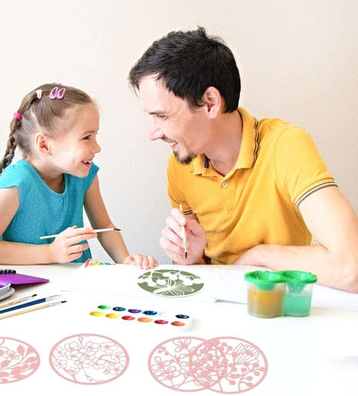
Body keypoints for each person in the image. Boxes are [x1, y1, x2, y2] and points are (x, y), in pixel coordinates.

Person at [128, 27, 358, 292]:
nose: (153, 133)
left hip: (277, 300)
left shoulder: (285, 146)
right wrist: (190, 258)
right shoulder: (181, 164)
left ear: (210, 102)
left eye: (162, 116)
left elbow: (351, 268)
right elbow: (200, 275)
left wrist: (260, 256)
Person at [0, 83, 157, 269]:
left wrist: (126, 261)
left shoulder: (84, 175)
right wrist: (50, 252)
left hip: (73, 280)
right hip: (30, 282)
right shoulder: (18, 182)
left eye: (95, 136)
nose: (97, 147)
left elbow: (105, 227)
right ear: (44, 144)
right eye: (86, 137)